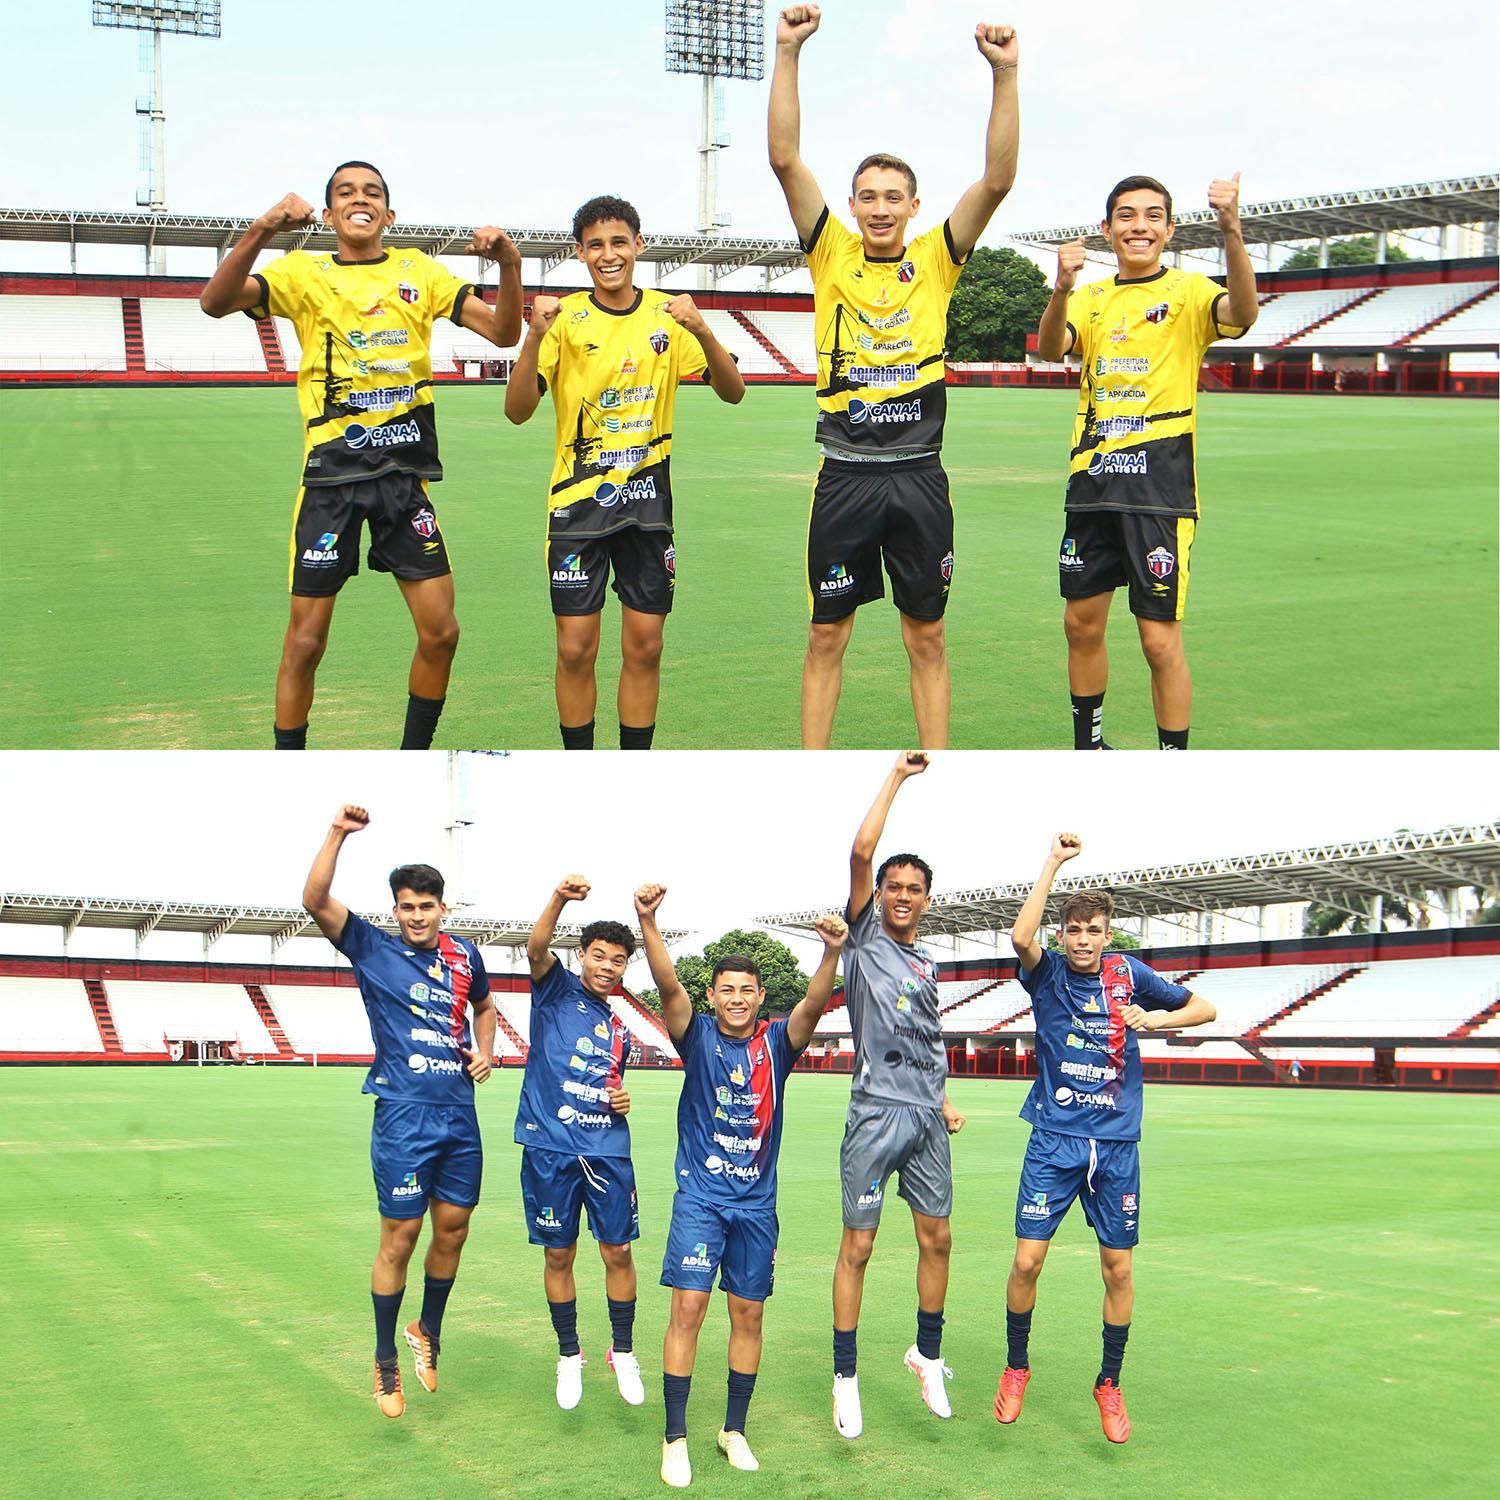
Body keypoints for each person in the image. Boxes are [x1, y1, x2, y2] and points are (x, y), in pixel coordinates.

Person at [200, 161, 522, 750]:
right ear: (327, 216)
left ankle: (413, 757)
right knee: (304, 644)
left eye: (372, 192)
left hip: (404, 481)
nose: (360, 198)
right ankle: (288, 762)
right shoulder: (301, 272)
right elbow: (214, 302)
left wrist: (509, 264)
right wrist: (264, 228)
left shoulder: (418, 271)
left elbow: (504, 336)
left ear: (389, 215)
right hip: (332, 482)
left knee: (441, 633)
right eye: (345, 192)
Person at [768, 8, 1020, 749]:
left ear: (914, 206)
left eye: (892, 197)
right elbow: (785, 159)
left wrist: (1004, 73)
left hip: (918, 477)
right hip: (844, 477)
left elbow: (998, 179)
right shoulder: (830, 252)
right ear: (851, 207)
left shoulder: (939, 258)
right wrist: (788, 52)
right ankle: (810, 769)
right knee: (825, 637)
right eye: (867, 196)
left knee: (929, 637)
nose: (879, 208)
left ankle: (939, 770)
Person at [995, 833, 1217, 1442]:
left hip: (1117, 1145)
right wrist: (1053, 862)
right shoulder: (1046, 978)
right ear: (1063, 936)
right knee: (1026, 1260)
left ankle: (1109, 1383)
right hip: (1054, 1138)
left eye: (1094, 930)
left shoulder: (1130, 974)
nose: (1084, 940)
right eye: (1075, 930)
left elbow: (1206, 1008)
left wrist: (1159, 1018)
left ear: (1108, 934)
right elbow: (1020, 937)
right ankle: (1017, 1368)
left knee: (1117, 1270)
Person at [504, 196, 746, 751]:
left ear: (639, 245)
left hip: (647, 509)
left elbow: (733, 392)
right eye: (595, 245)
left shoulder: (669, 316)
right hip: (577, 509)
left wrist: (704, 331)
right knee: (574, 649)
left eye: (619, 242)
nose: (608, 255)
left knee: (645, 647)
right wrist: (534, 336)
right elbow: (517, 411)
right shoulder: (563, 321)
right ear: (580, 253)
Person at [1035, 173, 1258, 750]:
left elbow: (1244, 313)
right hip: (1091, 487)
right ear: (1107, 229)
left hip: (1159, 492)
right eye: (1127, 216)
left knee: (1159, 642)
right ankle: (1089, 746)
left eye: (1153, 216)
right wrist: (1060, 287)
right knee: (1080, 627)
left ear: (1170, 227)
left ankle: (1171, 755)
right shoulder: (1090, 297)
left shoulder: (1189, 292)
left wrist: (1231, 230)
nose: (1140, 226)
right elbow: (1051, 349)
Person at [635, 883, 846, 1487]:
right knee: (689, 1310)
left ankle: (733, 1429)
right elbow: (668, 985)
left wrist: (830, 952)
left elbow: (812, 1003)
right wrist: (648, 921)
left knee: (748, 1317)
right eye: (725, 989)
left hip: (757, 1206)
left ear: (759, 997)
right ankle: (674, 1438)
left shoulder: (778, 1044)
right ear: (713, 996)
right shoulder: (695, 1034)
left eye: (746, 990)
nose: (735, 999)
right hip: (701, 1199)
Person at [301, 803, 496, 1419]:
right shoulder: (371, 949)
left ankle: (426, 1331)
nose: (417, 916)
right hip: (403, 1117)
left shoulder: (467, 957)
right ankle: (385, 1360)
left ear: (443, 909)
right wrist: (337, 834)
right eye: (407, 907)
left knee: (455, 1229)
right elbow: (314, 897)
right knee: (401, 1237)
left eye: (427, 906)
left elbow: (487, 1010)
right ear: (395, 911)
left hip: (459, 1117)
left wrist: (486, 1052)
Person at [830, 751, 966, 1439]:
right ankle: (845, 1374)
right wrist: (898, 778)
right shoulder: (865, 940)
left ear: (928, 898)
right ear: (880, 894)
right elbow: (859, 849)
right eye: (894, 886)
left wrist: (941, 1099)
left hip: (926, 1118)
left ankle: (926, 1353)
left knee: (938, 1239)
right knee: (859, 1245)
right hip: (876, 1113)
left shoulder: (928, 961)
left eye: (915, 887)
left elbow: (927, 1036)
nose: (904, 894)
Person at [520, 874, 643, 1409]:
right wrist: (559, 899)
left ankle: (623, 1350)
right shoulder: (554, 989)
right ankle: (569, 1354)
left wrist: (622, 1100)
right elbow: (534, 946)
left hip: (606, 1149)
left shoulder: (620, 1027)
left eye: (617, 960)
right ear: (582, 956)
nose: (607, 967)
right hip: (550, 1145)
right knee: (558, 1253)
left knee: (617, 1250)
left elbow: (611, 1084)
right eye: (598, 956)